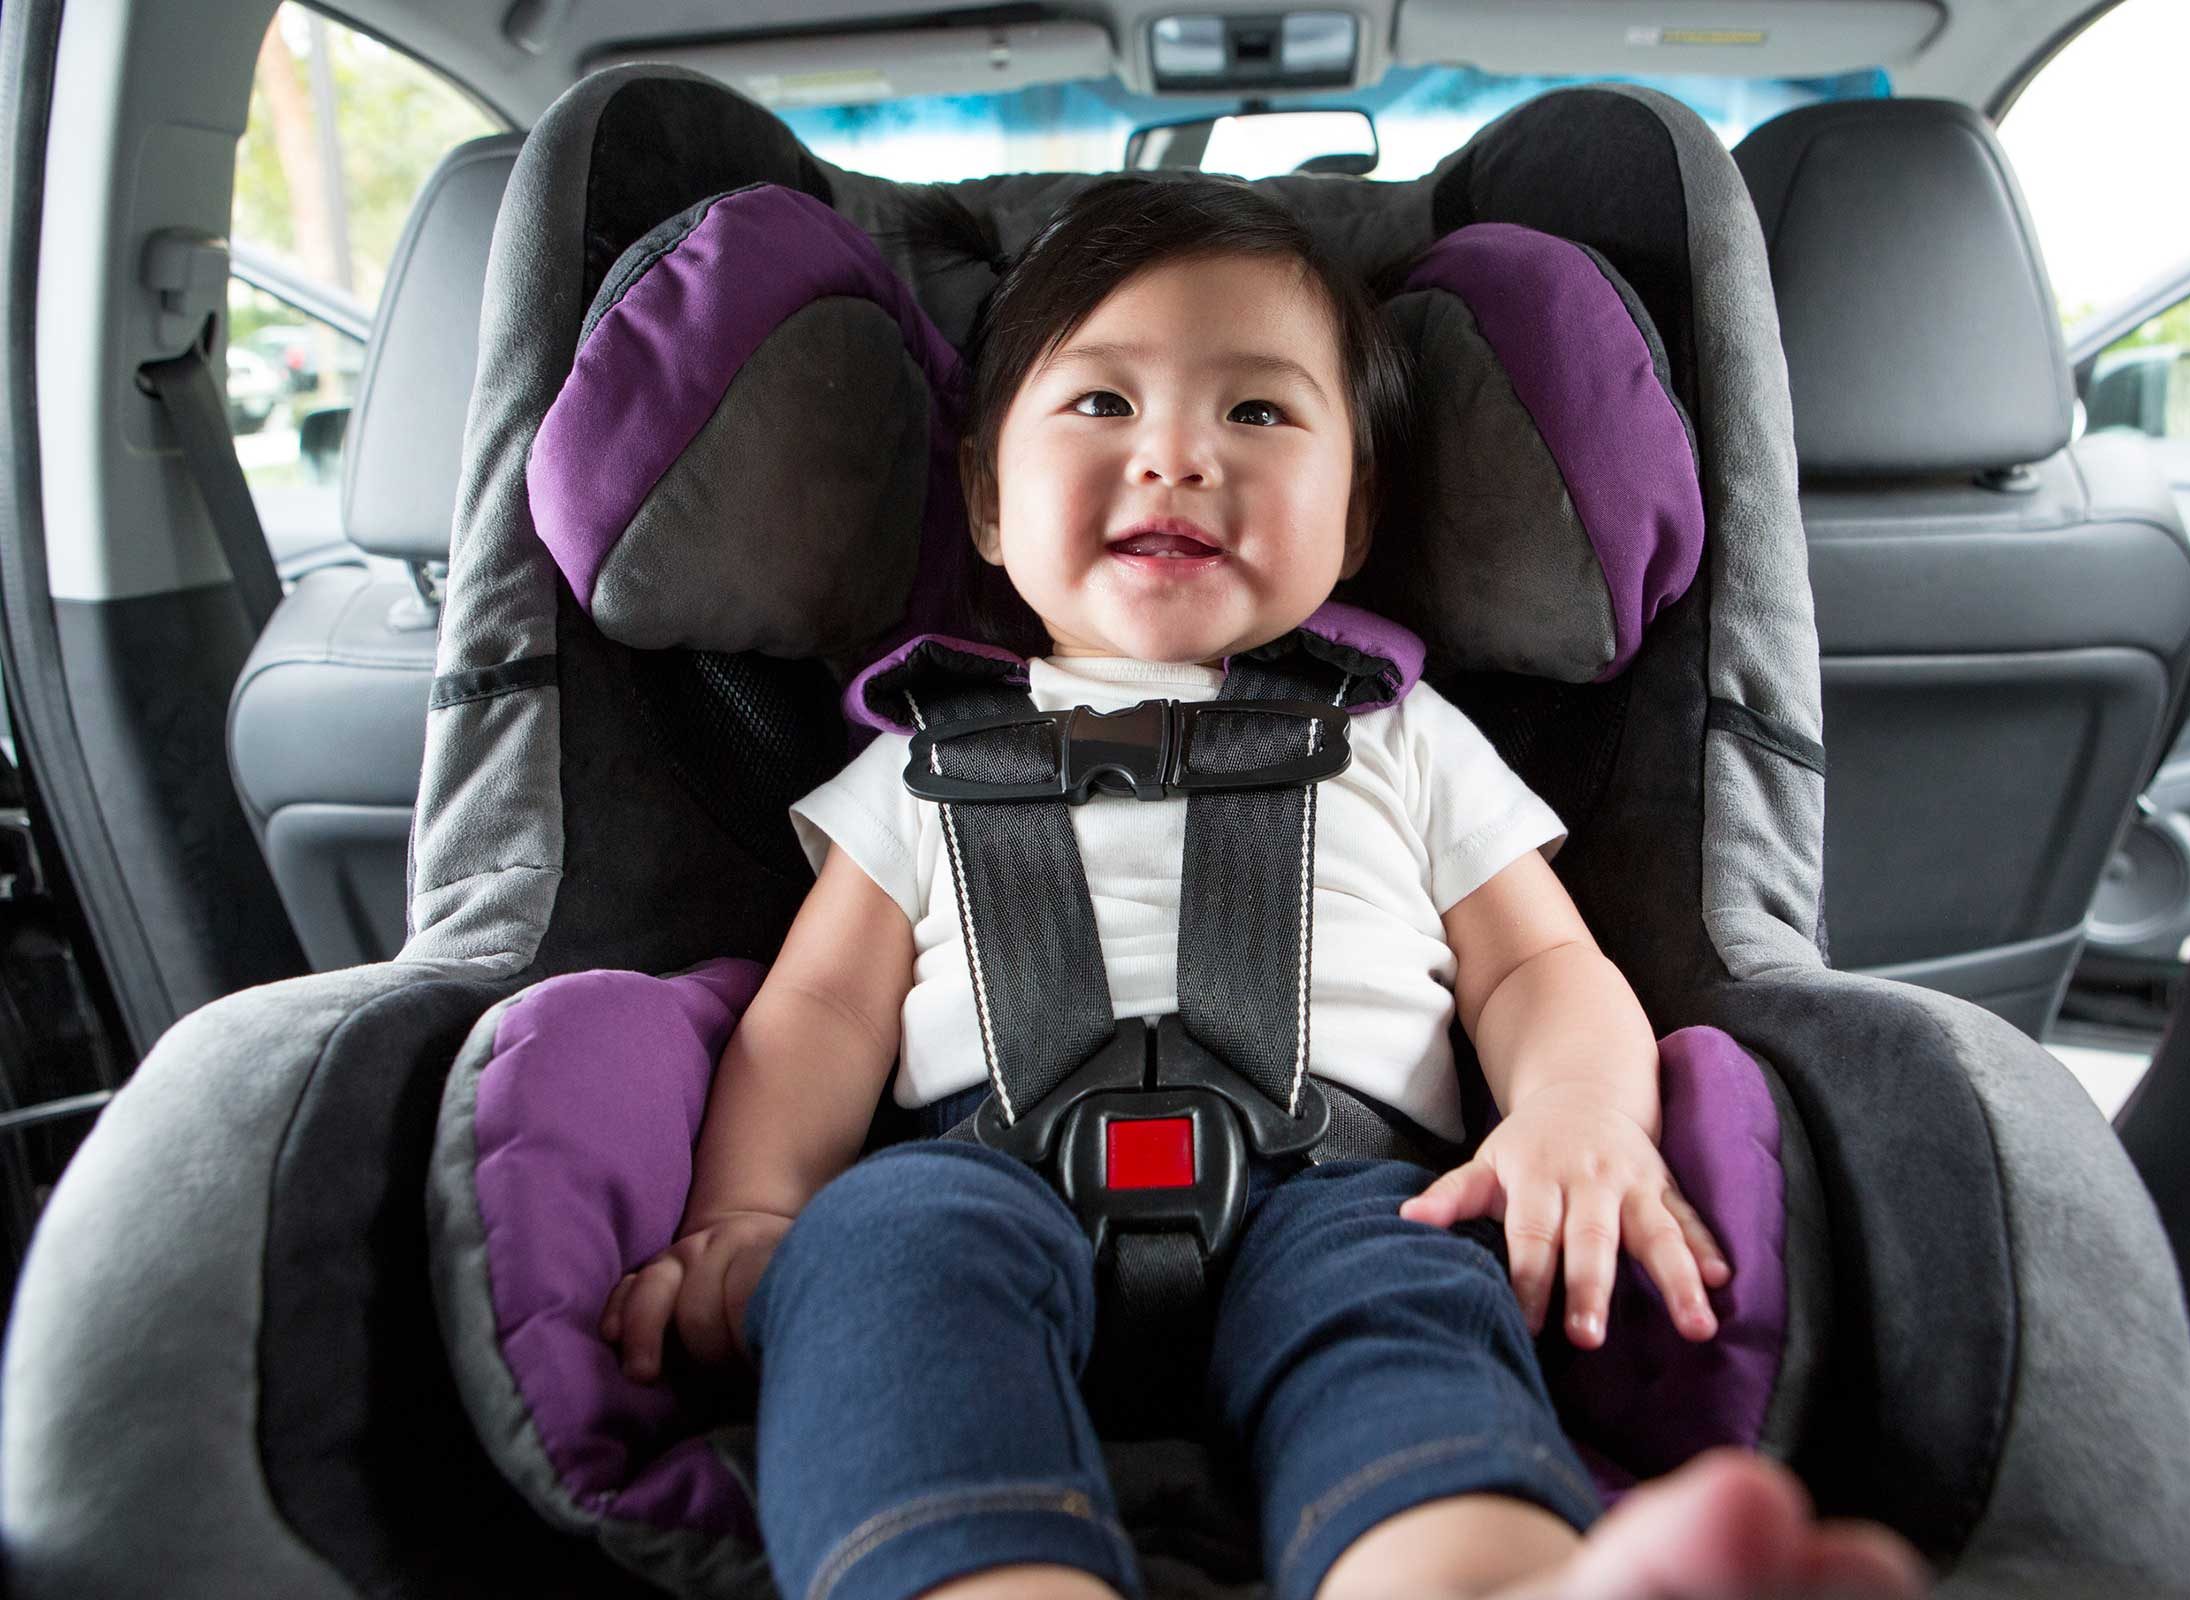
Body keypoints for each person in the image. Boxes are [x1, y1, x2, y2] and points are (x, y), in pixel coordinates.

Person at [600, 176, 1928, 1600]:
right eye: (1102, 405)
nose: (1176, 456)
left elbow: (1540, 968)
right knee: (869, 1270)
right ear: (988, 503)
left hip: (1348, 1190)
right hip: (972, 1183)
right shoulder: (917, 761)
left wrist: (1576, 1112)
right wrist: (753, 1211)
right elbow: (819, 1013)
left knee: (1415, 1308)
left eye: (1259, 411)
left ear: (1353, 523)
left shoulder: (1400, 733)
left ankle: (1476, 1575)